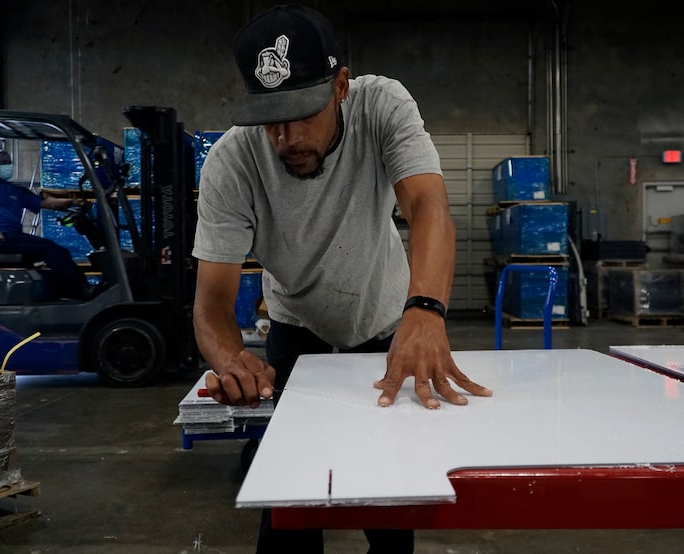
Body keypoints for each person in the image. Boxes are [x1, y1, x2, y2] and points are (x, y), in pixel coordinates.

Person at [192, 4, 492, 553]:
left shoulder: (382, 106)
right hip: (294, 329)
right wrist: (229, 358)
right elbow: (211, 302)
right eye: (271, 118)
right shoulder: (231, 163)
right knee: (288, 508)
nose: (287, 137)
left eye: (304, 112)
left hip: (384, 326)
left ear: (340, 86)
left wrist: (425, 310)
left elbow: (428, 206)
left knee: (389, 504)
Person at [0, 149, 93, 300]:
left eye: (9, 162)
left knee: (61, 252)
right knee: (48, 248)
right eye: (3, 163)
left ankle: (66, 292)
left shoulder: (15, 190)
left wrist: (73, 201)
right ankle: (81, 290)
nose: (8, 166)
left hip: (14, 237)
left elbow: (46, 203)